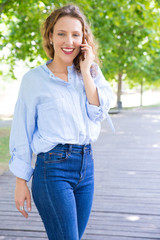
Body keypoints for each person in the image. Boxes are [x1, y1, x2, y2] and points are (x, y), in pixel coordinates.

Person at [9, 4, 114, 240]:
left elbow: (98, 113)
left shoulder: (92, 73)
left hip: (86, 167)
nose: (69, 41)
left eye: (76, 34)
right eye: (61, 33)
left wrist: (86, 72)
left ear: (84, 39)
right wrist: (20, 181)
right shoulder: (33, 79)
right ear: (50, 36)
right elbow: (21, 131)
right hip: (52, 170)